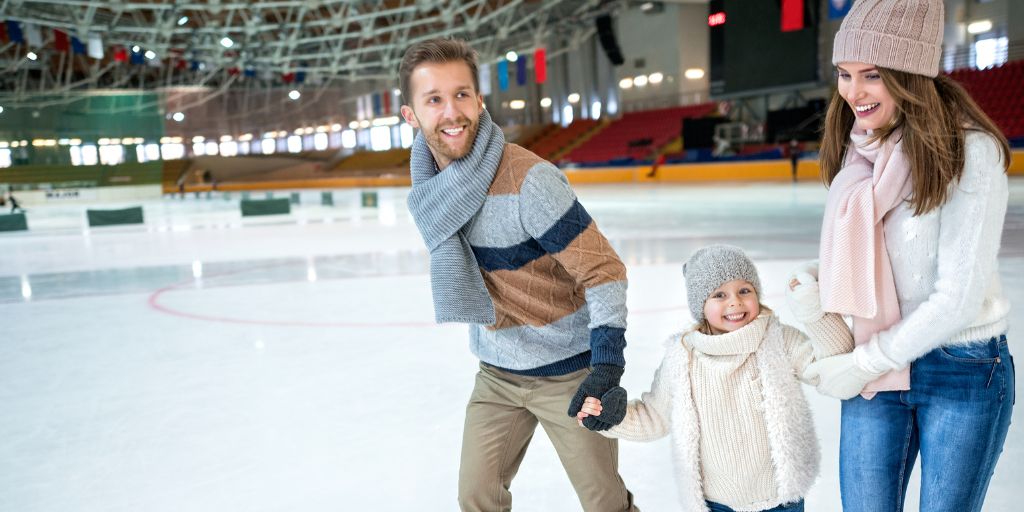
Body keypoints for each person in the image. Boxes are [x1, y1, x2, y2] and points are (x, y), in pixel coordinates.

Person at [398, 38, 638, 511]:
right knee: (476, 497)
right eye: (434, 99)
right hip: (497, 375)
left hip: (568, 373)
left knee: (605, 502)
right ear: (411, 115)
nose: (452, 112)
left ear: (480, 99)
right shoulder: (432, 191)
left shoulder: (528, 180)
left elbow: (604, 271)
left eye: (462, 94)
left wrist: (606, 367)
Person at [803, 1, 1015, 511]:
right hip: (878, 363)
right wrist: (817, 282)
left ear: (910, 74)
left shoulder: (971, 152)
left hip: (960, 366)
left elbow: (957, 297)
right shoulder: (862, 150)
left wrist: (863, 363)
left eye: (872, 75)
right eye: (844, 74)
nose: (853, 92)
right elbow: (873, 260)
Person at [578, 245, 854, 512]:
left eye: (744, 290)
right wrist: (610, 417)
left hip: (780, 498)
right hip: (715, 502)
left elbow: (831, 365)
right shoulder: (682, 356)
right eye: (719, 295)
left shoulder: (778, 339)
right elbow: (655, 418)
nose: (734, 301)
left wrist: (813, 310)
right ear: (701, 305)